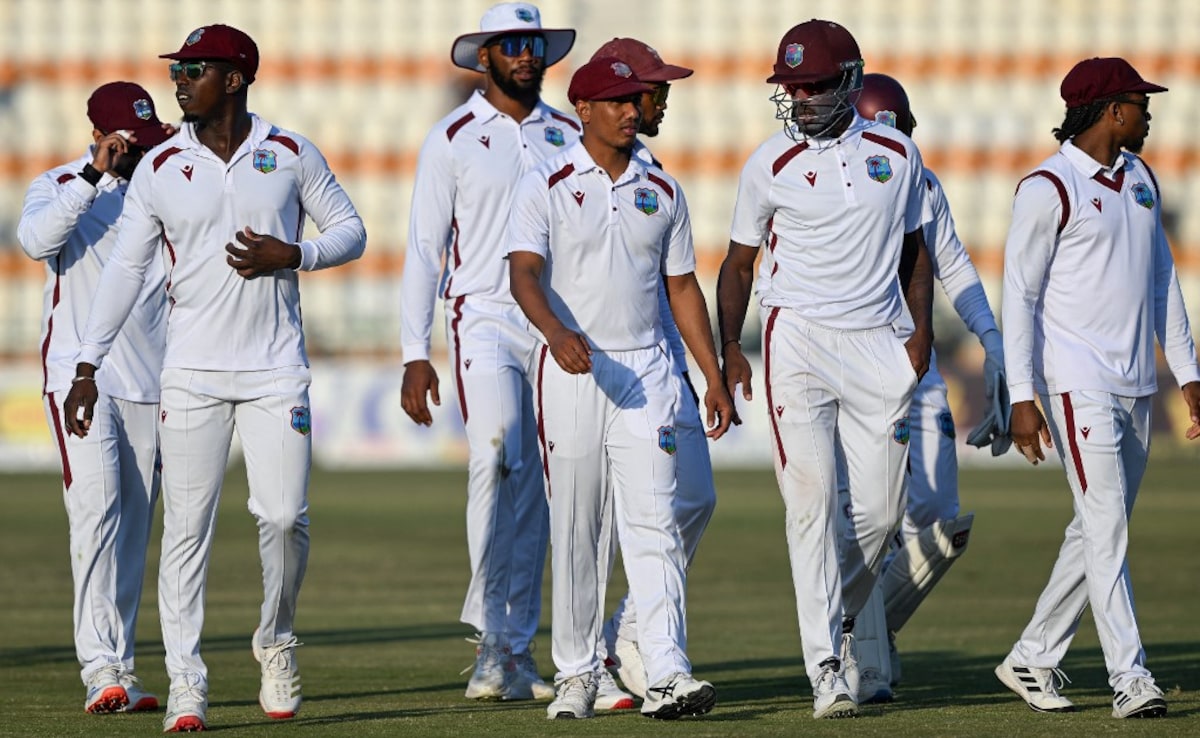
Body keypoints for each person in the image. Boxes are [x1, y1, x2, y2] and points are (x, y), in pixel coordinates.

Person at [62, 24, 366, 732]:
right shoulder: (164, 163)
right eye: (179, 69)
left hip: (275, 369)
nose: (178, 81)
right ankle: (187, 685)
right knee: (185, 533)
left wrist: (293, 252)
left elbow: (351, 229)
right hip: (191, 373)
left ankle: (277, 639)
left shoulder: (290, 153)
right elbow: (128, 270)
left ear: (233, 79)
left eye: (193, 69)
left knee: (285, 518)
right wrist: (87, 364)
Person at [716, 20, 934, 719]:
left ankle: (831, 614)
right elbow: (738, 264)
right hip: (797, 339)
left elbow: (915, 250)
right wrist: (729, 348)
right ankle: (826, 666)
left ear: (849, 80)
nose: (801, 98)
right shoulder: (767, 164)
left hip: (877, 341)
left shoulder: (897, 154)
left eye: (813, 85)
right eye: (791, 87)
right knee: (809, 507)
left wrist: (920, 330)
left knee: (877, 515)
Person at [507, 55, 734, 720]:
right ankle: (577, 672)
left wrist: (712, 375)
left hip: (647, 372)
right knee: (578, 528)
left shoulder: (661, 190)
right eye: (617, 98)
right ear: (583, 107)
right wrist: (554, 332)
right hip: (572, 370)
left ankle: (667, 671)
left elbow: (682, 286)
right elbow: (523, 274)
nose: (633, 109)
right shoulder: (544, 182)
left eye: (638, 98)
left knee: (655, 525)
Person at [996, 56, 1200, 720]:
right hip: (1077, 381)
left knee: (1094, 533)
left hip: (1138, 383)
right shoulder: (1047, 187)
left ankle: (1032, 656)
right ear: (1112, 110)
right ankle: (1130, 679)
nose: (1150, 113)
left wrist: (1189, 374)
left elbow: (1163, 280)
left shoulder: (1140, 178)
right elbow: (1018, 298)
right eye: (1142, 103)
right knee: (1107, 529)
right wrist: (1022, 395)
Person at [400, 1, 576, 702]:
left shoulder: (569, 132)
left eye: (532, 43)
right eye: (510, 44)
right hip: (484, 318)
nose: (525, 54)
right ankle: (488, 632)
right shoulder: (450, 136)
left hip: (556, 324)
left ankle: (513, 648)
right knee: (496, 450)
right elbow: (423, 247)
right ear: (485, 56)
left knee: (537, 483)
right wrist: (416, 350)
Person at [841, 72, 1008, 703]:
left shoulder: (924, 182)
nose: (909, 137)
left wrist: (994, 345)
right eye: (900, 125)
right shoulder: (826, 181)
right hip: (851, 364)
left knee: (941, 525)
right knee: (863, 521)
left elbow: (954, 263)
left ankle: (855, 633)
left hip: (919, 363)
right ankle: (866, 655)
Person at [17, 81, 172, 716]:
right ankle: (98, 667)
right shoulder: (59, 184)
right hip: (78, 378)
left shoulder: (163, 190)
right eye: (135, 144)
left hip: (151, 381)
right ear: (108, 139)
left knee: (133, 531)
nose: (146, 152)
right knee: (96, 513)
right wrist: (92, 175)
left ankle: (122, 668)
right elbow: (34, 243)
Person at [585, 38, 714, 707]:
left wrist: (706, 370)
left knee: (692, 500)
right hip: (597, 371)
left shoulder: (655, 174)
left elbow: (681, 285)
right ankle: (597, 662)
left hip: (661, 367)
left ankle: (625, 637)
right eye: (654, 89)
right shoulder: (575, 170)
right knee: (609, 523)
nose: (662, 100)